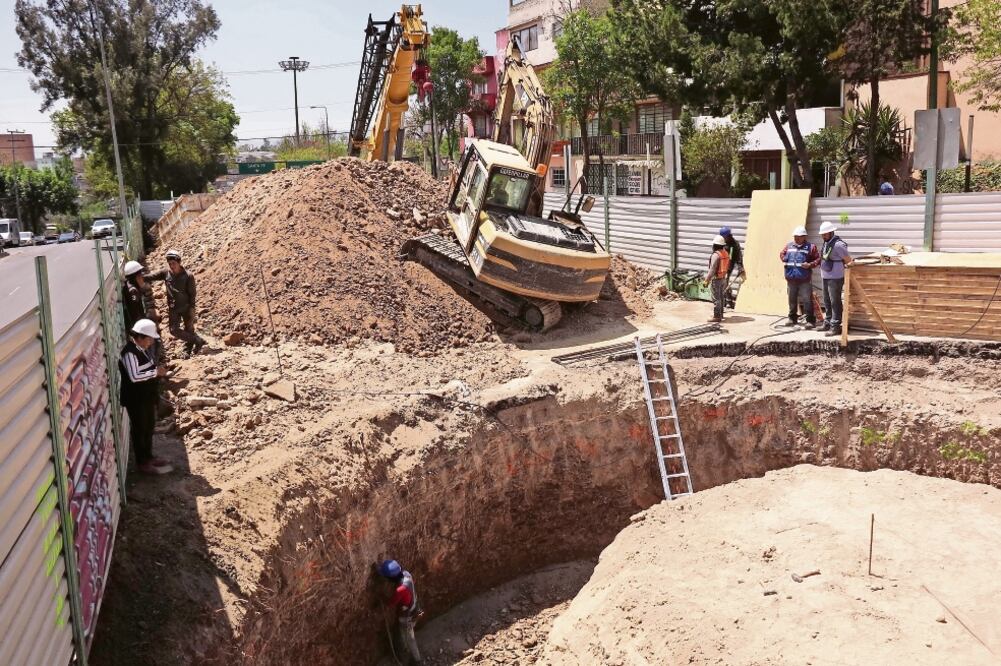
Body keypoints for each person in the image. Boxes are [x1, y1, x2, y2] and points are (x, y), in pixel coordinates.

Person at [119, 319, 172, 475]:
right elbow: (135, 376)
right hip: (135, 400)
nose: (150, 342)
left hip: (146, 398)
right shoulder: (129, 352)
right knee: (140, 429)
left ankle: (149, 457)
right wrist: (155, 372)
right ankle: (142, 463)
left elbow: (146, 370)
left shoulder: (141, 349)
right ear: (140, 337)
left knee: (148, 427)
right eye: (149, 339)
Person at [148, 249, 206, 356]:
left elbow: (192, 294)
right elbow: (152, 276)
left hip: (186, 307)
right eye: (169, 264)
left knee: (189, 329)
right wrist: (138, 277)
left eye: (173, 263)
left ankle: (188, 350)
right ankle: (197, 341)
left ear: (179, 262)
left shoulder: (188, 276)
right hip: (173, 308)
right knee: (173, 330)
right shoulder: (166, 273)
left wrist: (192, 309)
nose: (171, 266)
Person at [378, 559, 422, 665]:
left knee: (409, 639)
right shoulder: (407, 575)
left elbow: (390, 603)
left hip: (407, 617)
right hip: (415, 609)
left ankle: (416, 661)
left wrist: (381, 597)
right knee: (405, 636)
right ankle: (406, 654)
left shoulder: (400, 590)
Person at [779, 226, 821, 328]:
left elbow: (818, 259)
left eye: (799, 237)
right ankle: (792, 318)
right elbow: (782, 254)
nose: (796, 238)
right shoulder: (789, 246)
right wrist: (785, 258)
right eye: (795, 236)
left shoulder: (811, 247)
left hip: (804, 279)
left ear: (804, 237)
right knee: (791, 299)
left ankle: (810, 320)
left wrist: (810, 264)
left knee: (807, 299)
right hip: (791, 278)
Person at [818, 221, 853, 337]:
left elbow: (848, 260)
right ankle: (827, 322)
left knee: (835, 302)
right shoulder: (827, 243)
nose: (823, 236)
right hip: (826, 276)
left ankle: (836, 326)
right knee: (827, 301)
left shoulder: (838, 245)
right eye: (822, 234)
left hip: (836, 277)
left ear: (831, 232)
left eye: (825, 234)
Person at [703, 234, 731, 323]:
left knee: (716, 298)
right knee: (721, 297)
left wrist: (707, 280)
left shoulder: (716, 255)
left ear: (715, 245)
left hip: (716, 280)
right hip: (723, 278)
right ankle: (721, 314)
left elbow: (712, 269)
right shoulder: (725, 253)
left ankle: (716, 316)